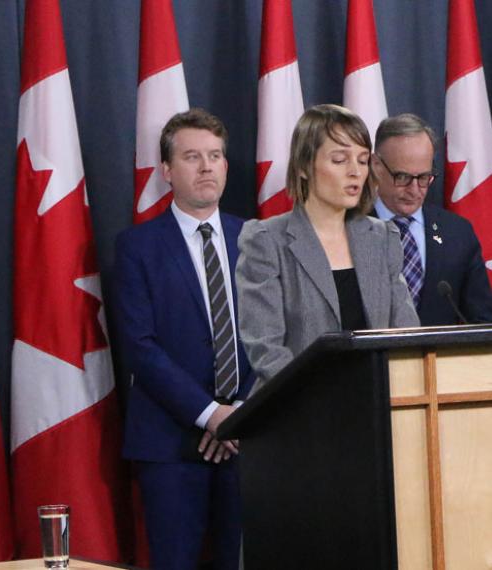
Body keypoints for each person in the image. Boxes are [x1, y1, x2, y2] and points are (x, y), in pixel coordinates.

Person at [115, 108, 256, 570]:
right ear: (166, 171)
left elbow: (272, 334)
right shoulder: (138, 247)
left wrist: (238, 414)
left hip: (247, 439)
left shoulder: (255, 239)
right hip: (171, 444)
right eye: (192, 157)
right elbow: (140, 346)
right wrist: (211, 415)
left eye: (215, 156)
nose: (207, 167)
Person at [236, 104, 419, 388]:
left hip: (377, 407)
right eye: (339, 160)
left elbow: (406, 335)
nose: (355, 172)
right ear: (304, 167)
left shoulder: (383, 238)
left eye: (361, 160)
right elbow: (266, 350)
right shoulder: (266, 240)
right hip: (298, 412)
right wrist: (327, 402)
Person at [371, 113, 492, 325]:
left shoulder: (457, 233)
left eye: (424, 178)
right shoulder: (348, 228)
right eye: (403, 177)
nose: (415, 190)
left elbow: (482, 322)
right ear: (376, 166)